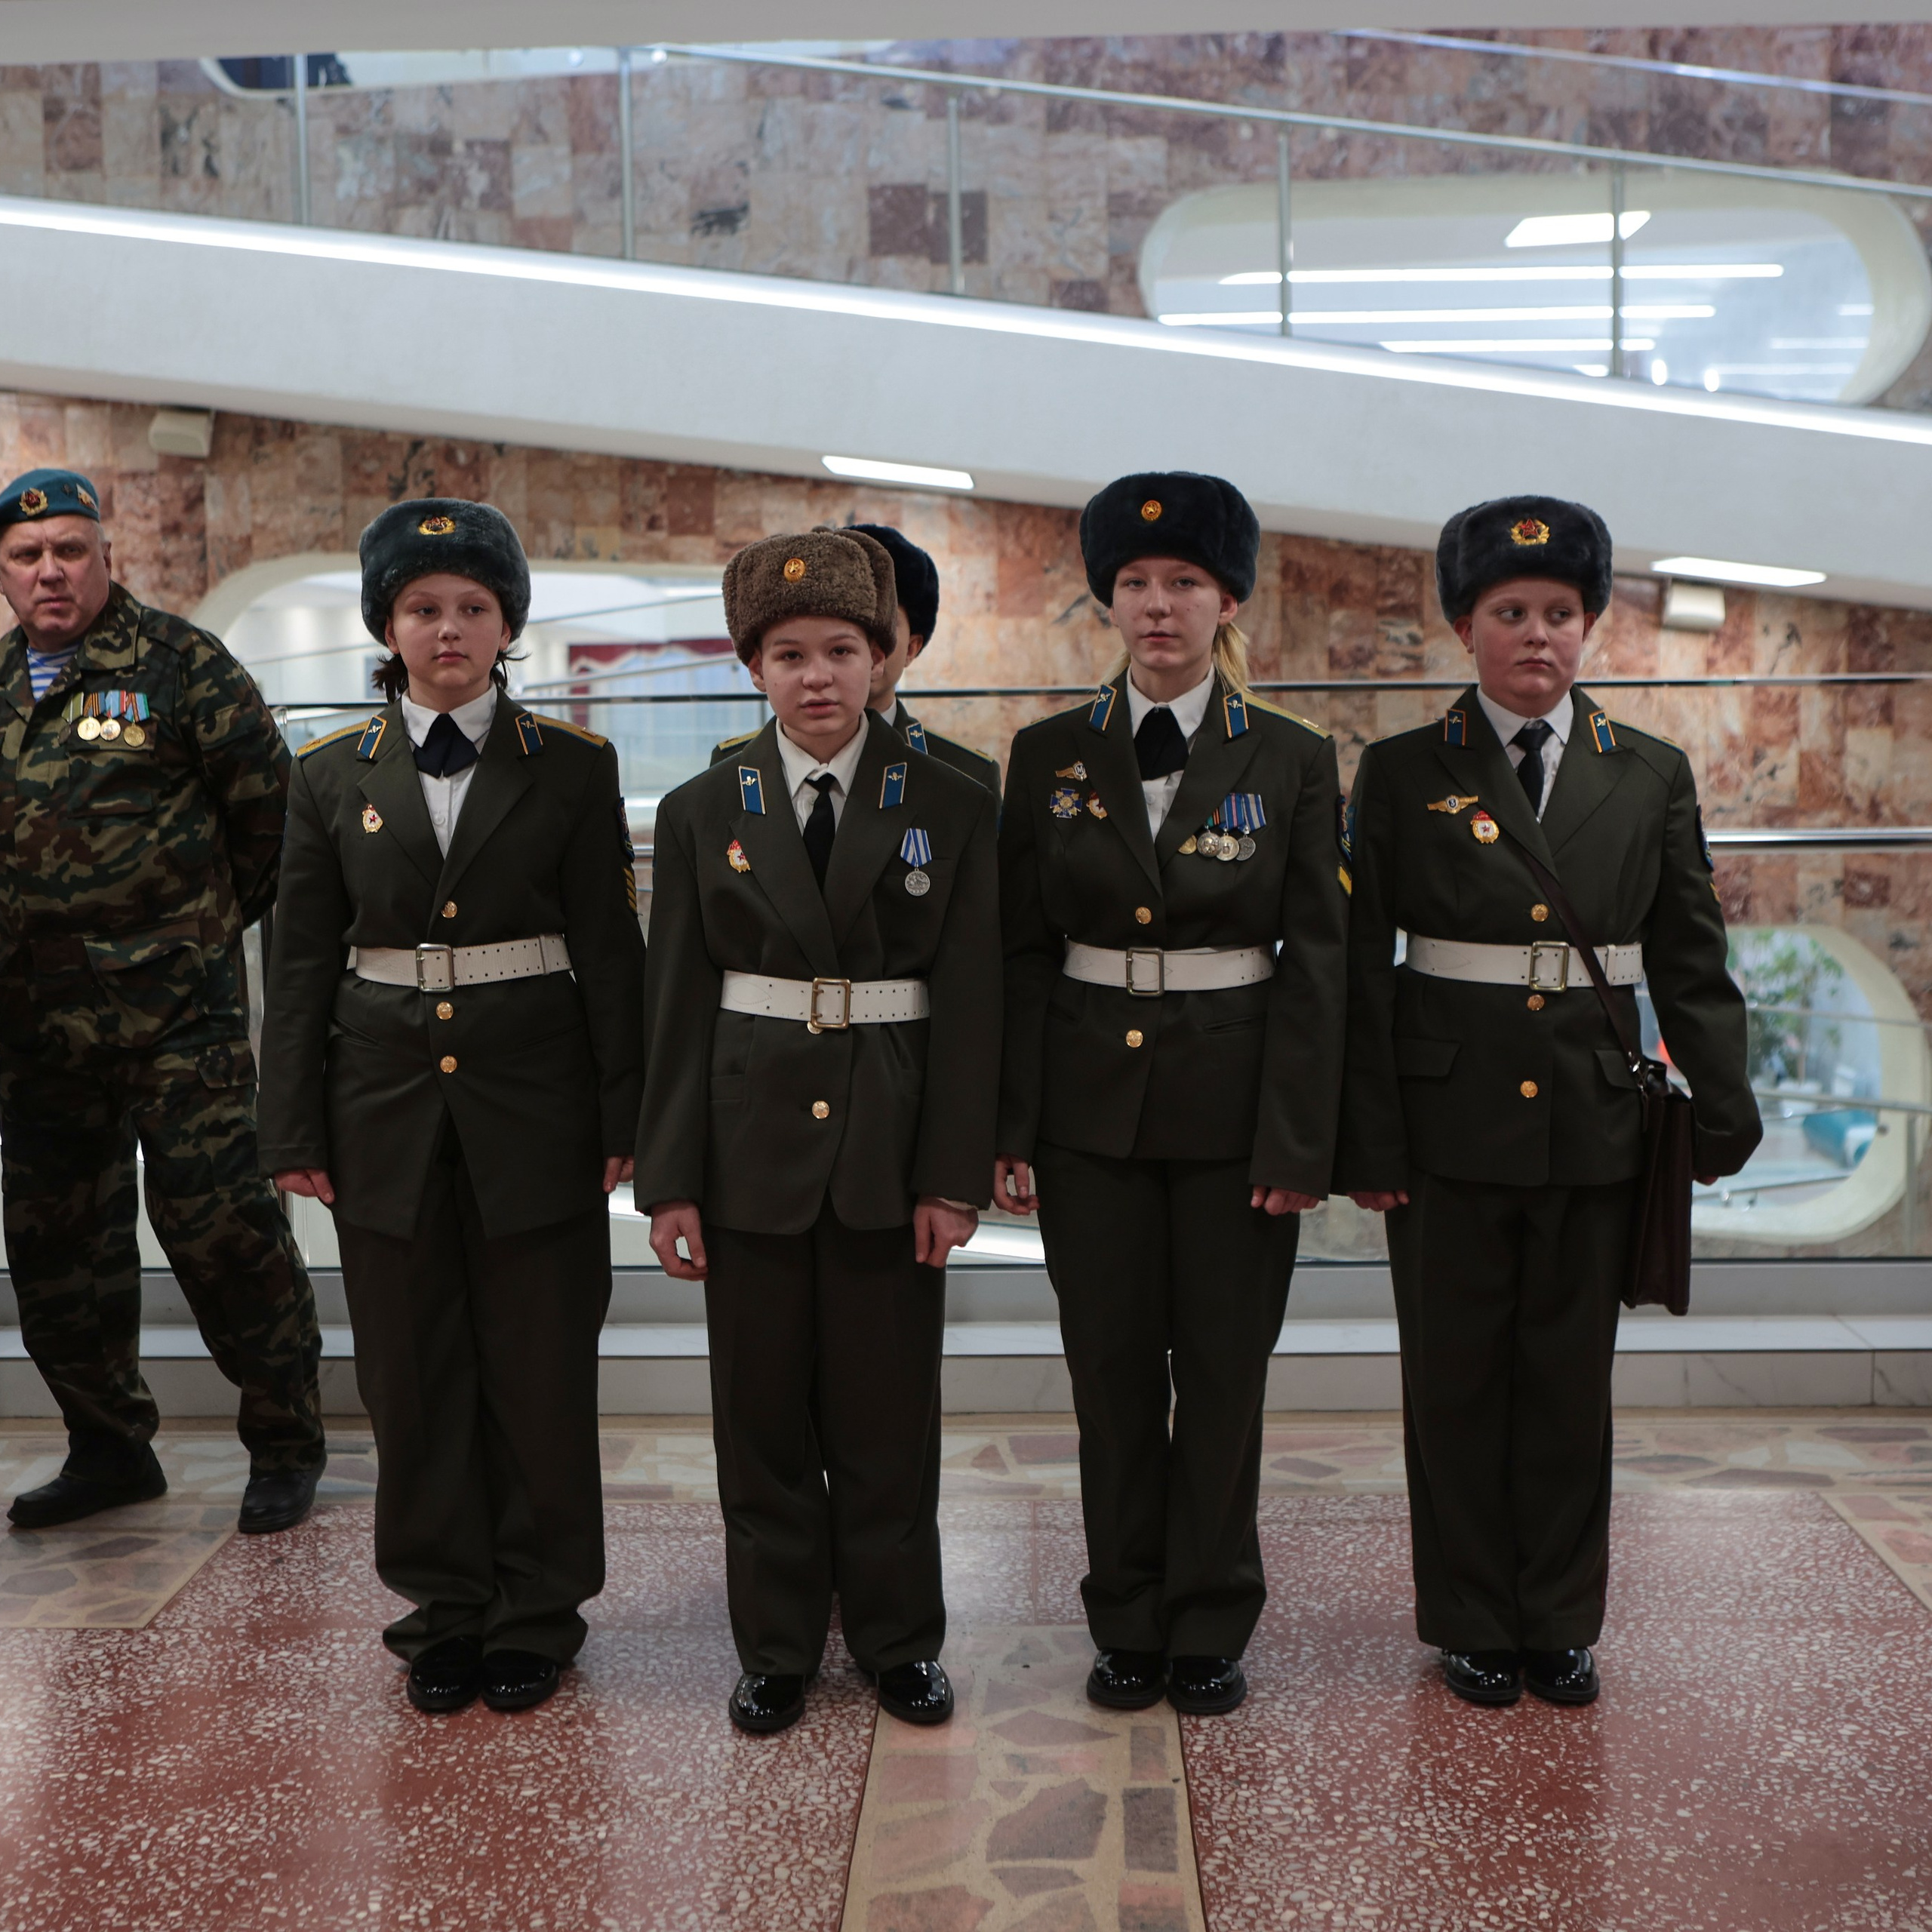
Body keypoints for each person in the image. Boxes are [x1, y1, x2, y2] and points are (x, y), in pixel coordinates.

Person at [1336, 494, 1761, 1709]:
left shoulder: (1648, 775)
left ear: (1591, 625)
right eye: (1509, 613)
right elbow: (1366, 962)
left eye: (1560, 614)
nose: (1537, 637)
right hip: (1444, 1120)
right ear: (1465, 625)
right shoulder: (1407, 772)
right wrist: (1364, 1131)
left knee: (1570, 1383)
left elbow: (1689, 956)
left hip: (1592, 1116)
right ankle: (1471, 1616)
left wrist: (1721, 1111)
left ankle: (1560, 1619)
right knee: (1457, 1378)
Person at [257, 498, 645, 1715]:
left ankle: (537, 1611)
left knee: (536, 1368)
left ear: (508, 625)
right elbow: (302, 962)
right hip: (380, 1108)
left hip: (538, 1104)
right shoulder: (326, 777)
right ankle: (442, 1607)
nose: (449, 629)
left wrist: (627, 1118)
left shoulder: (574, 770)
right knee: (411, 1374)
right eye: (424, 608)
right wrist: (294, 1127)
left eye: (474, 607)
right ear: (387, 625)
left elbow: (610, 954)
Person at [995, 472, 1349, 1716]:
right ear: (1109, 599)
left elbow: (1322, 961)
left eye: (1185, 583)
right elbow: (1021, 953)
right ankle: (1125, 1617)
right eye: (1136, 583)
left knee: (1225, 1375)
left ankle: (1210, 1619)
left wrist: (1300, 1136)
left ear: (1227, 600)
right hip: (1089, 1116)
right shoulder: (1047, 754)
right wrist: (1013, 1128)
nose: (1159, 605)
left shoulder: (1295, 758)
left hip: (1236, 1111)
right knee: (1108, 1378)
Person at [637, 525, 999, 1737]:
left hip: (891, 1149)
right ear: (752, 667)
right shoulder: (702, 808)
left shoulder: (952, 798)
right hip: (746, 1158)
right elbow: (677, 1003)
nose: (817, 676)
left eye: (842, 648)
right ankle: (779, 1647)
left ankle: (901, 1642)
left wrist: (953, 1176)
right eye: (787, 652)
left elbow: (975, 1002)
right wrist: (669, 1181)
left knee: (890, 1415)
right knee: (762, 1420)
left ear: (886, 654)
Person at [0, 466, 326, 1535]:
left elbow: (271, 831)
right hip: (37, 1032)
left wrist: (182, 943)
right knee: (57, 1246)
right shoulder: (1, 687)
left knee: (221, 1228)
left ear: (107, 556)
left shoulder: (183, 666)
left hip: (178, 1024)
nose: (50, 571)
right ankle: (108, 1447)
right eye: (26, 555)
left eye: (70, 550)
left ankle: (284, 1439)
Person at [712, 522, 1001, 801]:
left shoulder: (963, 774)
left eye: (841, 649)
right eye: (792, 655)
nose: (819, 676)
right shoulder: (735, 768)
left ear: (907, 648)